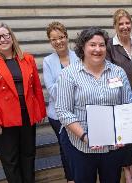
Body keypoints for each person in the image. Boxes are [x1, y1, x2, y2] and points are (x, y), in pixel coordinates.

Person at [55, 27, 131, 183]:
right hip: (80, 145)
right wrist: (85, 136)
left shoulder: (118, 72)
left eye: (102, 45)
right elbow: (63, 111)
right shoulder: (69, 74)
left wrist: (125, 132)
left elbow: (127, 104)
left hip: (112, 146)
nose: (98, 49)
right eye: (92, 45)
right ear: (83, 46)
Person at [0, 23, 46, 183]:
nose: (3, 39)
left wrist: (40, 111)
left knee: (29, 155)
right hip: (4, 119)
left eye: (5, 35)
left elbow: (36, 87)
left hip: (27, 115)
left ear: (11, 36)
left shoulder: (27, 58)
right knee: (10, 160)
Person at [106, 9, 132, 182]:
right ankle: (127, 171)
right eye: (120, 23)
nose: (124, 26)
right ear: (115, 25)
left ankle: (130, 166)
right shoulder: (109, 45)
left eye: (127, 23)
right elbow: (109, 73)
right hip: (119, 97)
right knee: (124, 134)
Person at [43, 21, 78, 183]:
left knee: (79, 149)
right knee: (66, 149)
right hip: (57, 115)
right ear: (50, 41)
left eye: (61, 37)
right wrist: (72, 83)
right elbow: (53, 91)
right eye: (54, 39)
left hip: (78, 112)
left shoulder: (78, 56)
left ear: (66, 37)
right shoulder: (48, 61)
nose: (58, 42)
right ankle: (71, 179)